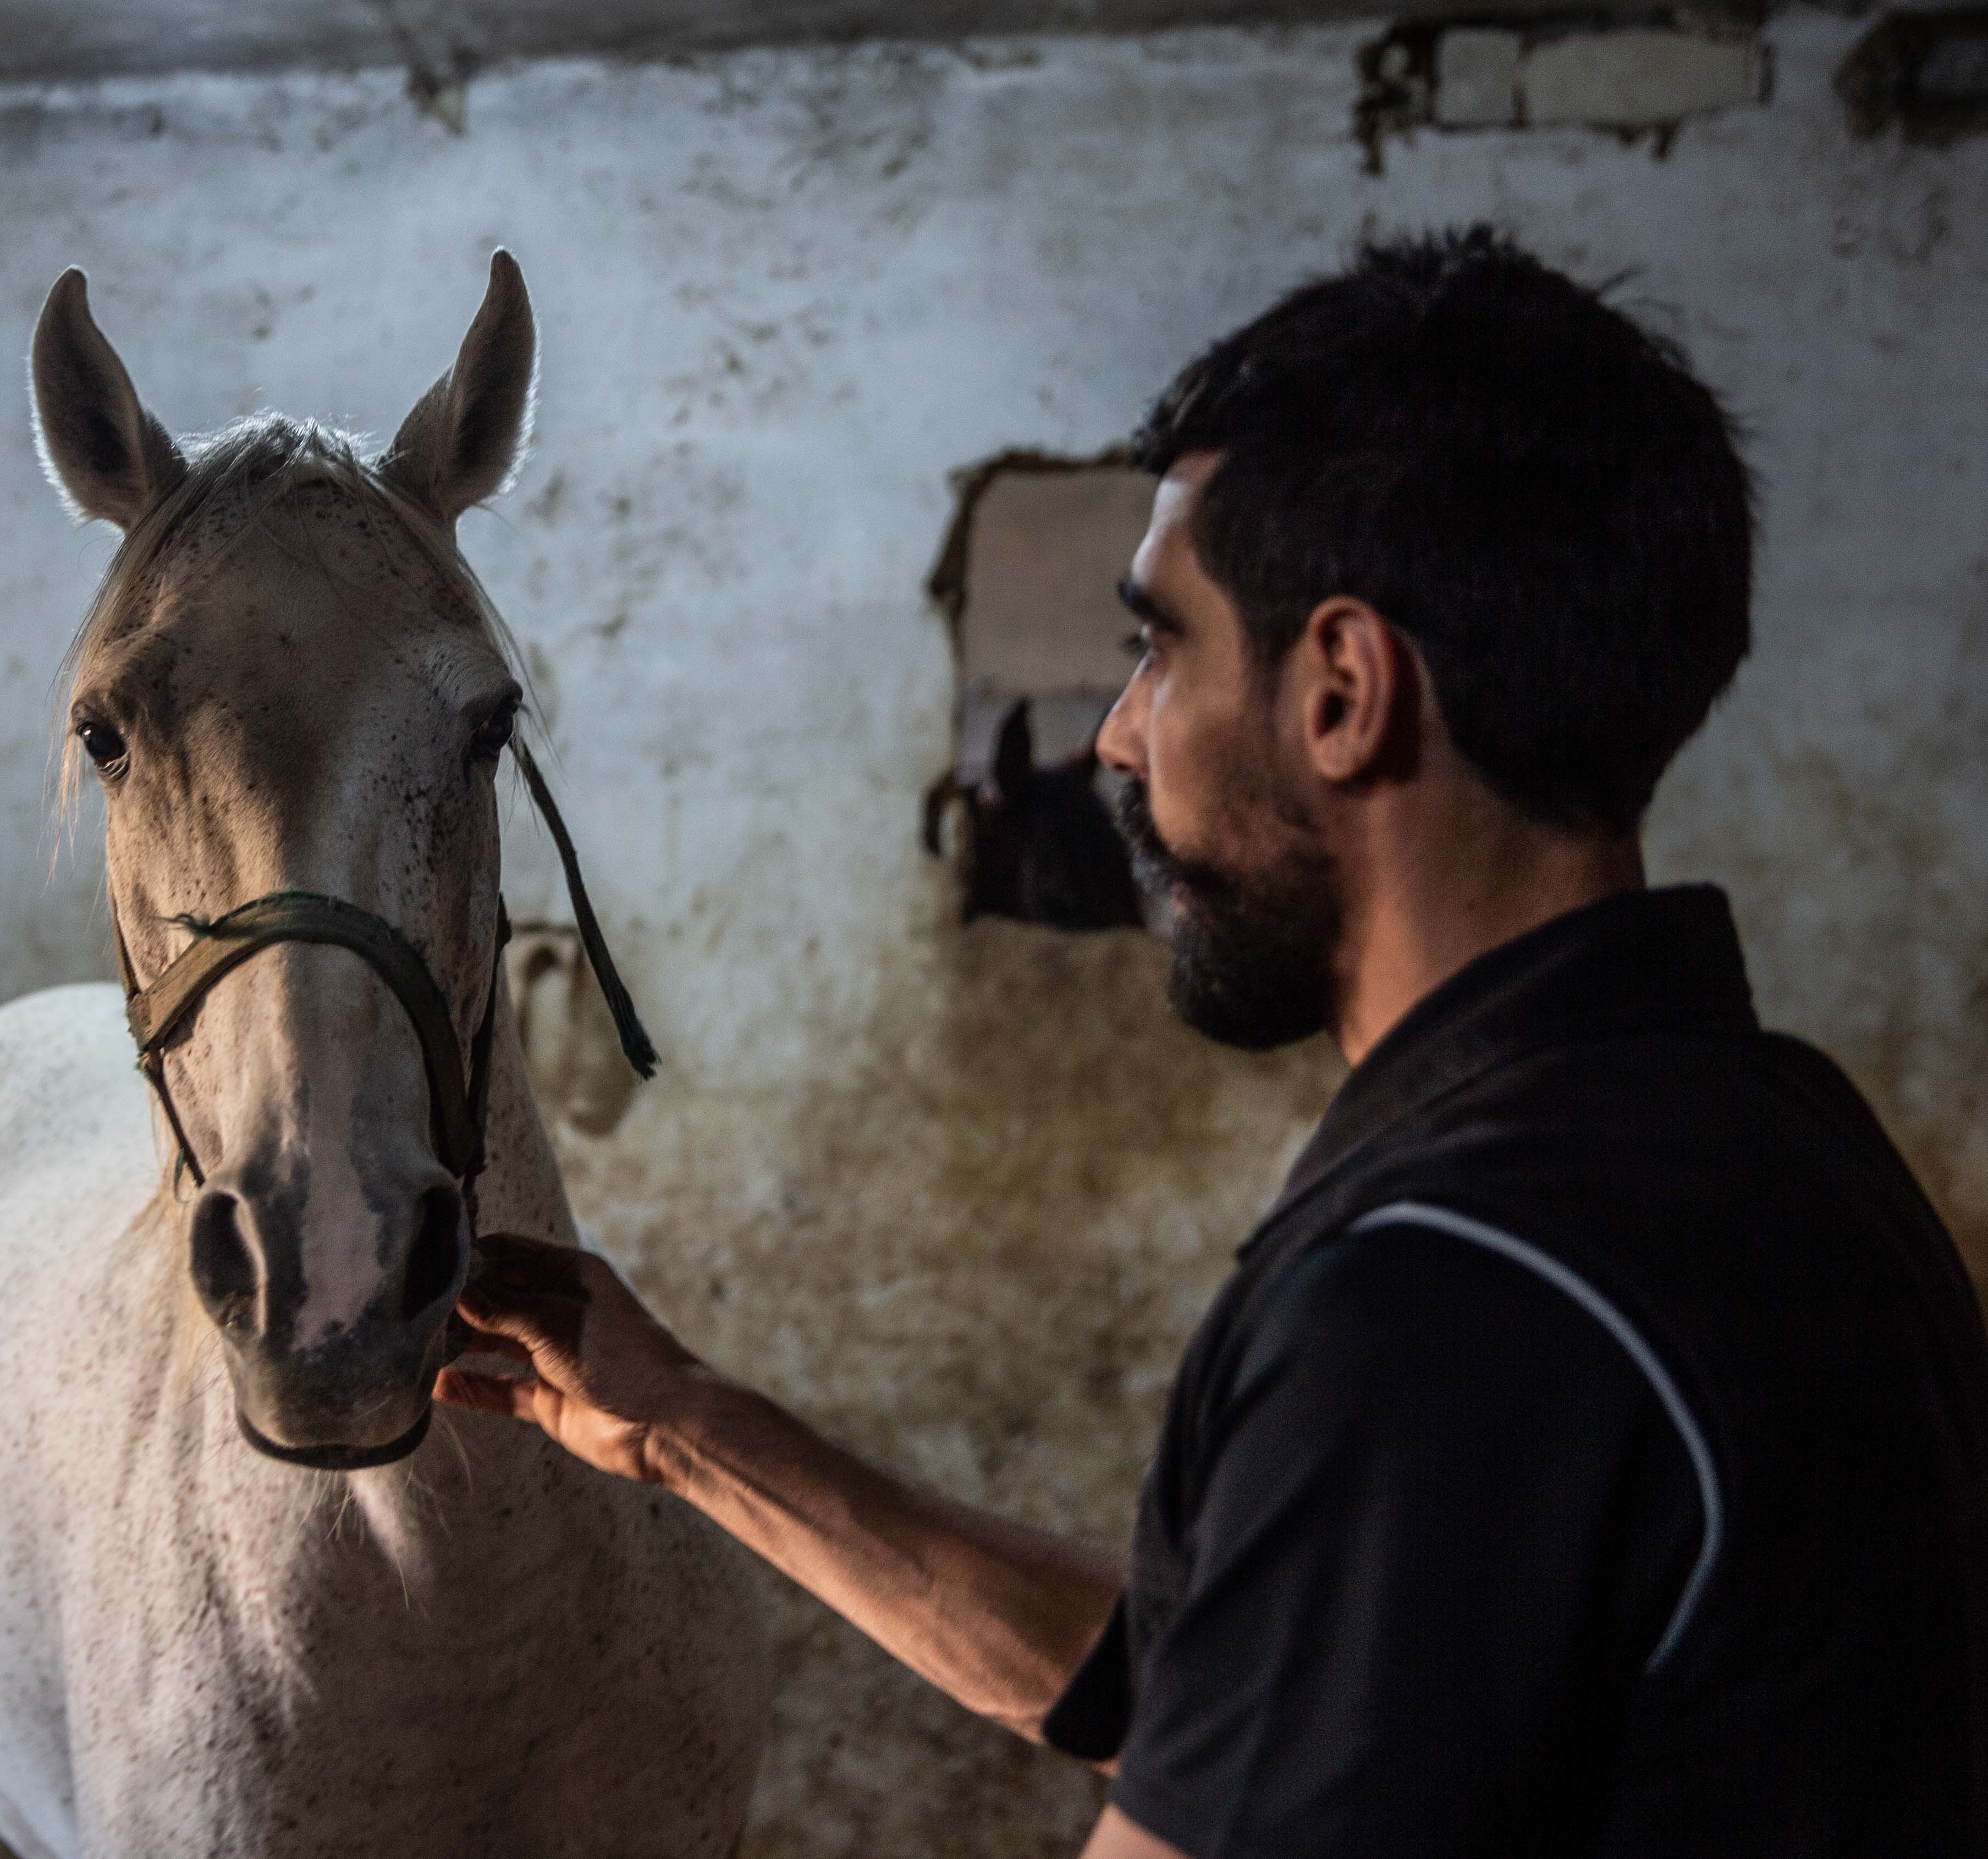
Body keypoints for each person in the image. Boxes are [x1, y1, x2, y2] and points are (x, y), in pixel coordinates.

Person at [434, 228, 1988, 1857]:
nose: (1115, 730)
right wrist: (684, 1423)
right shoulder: (1765, 1138)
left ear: (1341, 690)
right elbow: (1226, 1685)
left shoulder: (1456, 1292)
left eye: (1160, 647)